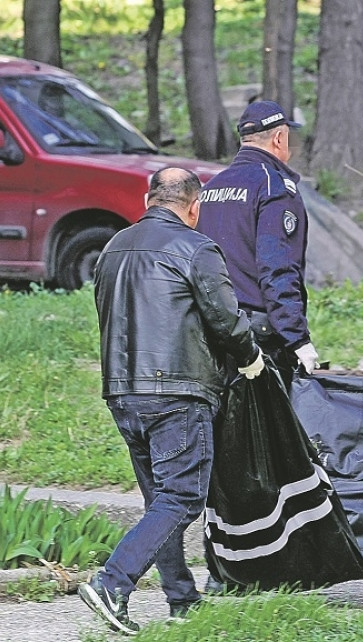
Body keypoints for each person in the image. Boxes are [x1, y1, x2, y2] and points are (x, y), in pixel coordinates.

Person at [83, 167, 265, 635]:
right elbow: (225, 319)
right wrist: (251, 358)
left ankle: (182, 600)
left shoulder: (112, 248)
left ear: (148, 201)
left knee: (160, 502)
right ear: (194, 207)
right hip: (177, 392)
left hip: (122, 390)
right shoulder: (196, 248)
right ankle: (112, 583)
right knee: (182, 498)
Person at [196, 100, 320, 391]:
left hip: (211, 327)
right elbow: (278, 267)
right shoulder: (274, 187)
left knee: (226, 415)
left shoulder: (210, 189)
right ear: (279, 137)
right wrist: (297, 338)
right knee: (268, 419)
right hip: (258, 335)